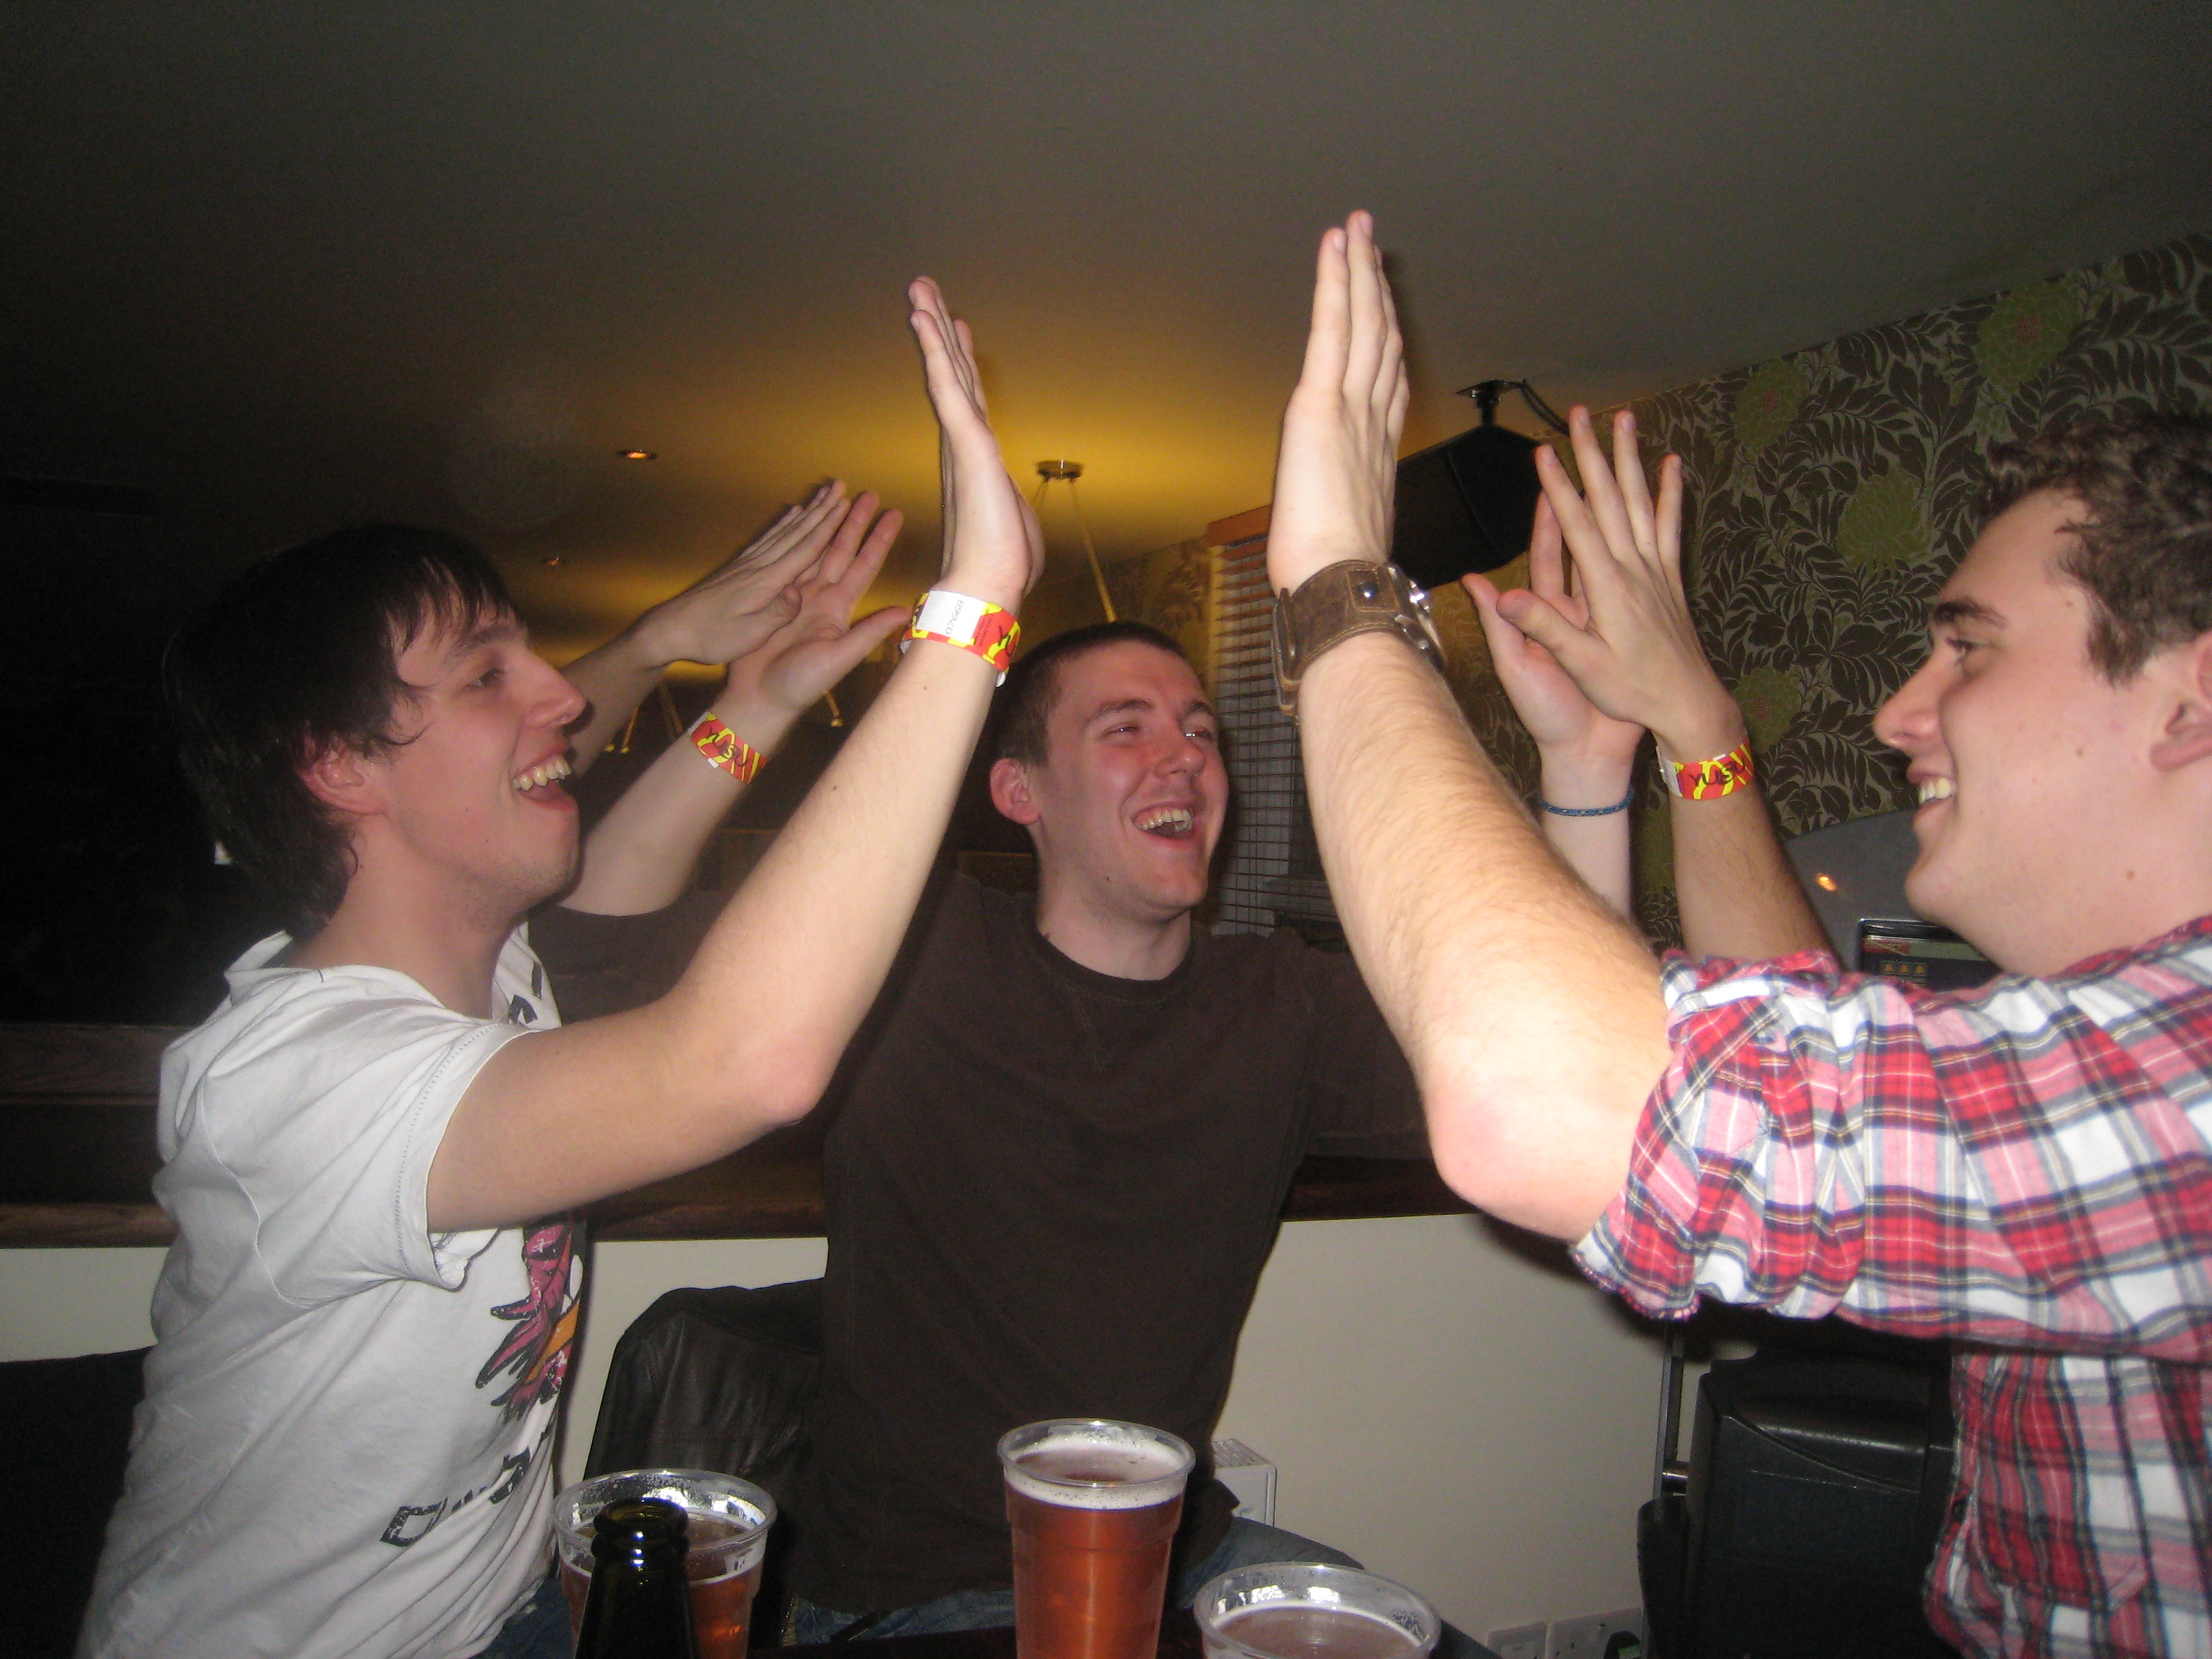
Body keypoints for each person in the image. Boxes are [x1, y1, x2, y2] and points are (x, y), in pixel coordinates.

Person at [1264, 211, 2211, 1658]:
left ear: (2191, 701)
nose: (1901, 711)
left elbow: (1562, 1108)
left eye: (1968, 646)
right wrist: (1647, 745)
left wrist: (1340, 585)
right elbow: (1756, 1061)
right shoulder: (2112, 1042)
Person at [81, 274, 1043, 1659]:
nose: (559, 693)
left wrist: (746, 692)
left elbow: (617, 854)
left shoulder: (496, 973)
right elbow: (743, 1061)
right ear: (335, 765)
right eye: (487, 674)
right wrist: (971, 617)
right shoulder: (295, 1082)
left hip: (504, 1613)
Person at [533, 620, 1470, 1645]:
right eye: (1127, 728)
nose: (1185, 757)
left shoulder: (1281, 1006)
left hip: (1176, 1556)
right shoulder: (910, 955)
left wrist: (1580, 765)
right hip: (914, 1593)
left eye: (1201, 732)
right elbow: (590, 949)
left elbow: (1546, 1070)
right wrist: (750, 710)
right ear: (1021, 793)